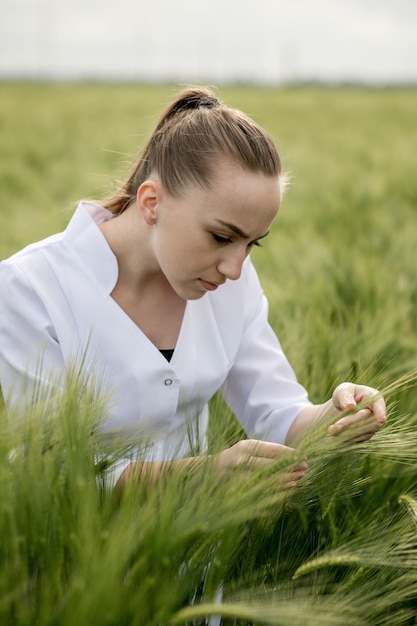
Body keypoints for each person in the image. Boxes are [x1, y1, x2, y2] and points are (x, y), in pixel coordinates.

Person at [0, 87, 386, 490]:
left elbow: (278, 412)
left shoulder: (229, 281)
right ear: (151, 202)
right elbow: (51, 471)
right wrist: (202, 476)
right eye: (221, 237)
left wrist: (337, 413)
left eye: (252, 243)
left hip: (198, 551)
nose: (235, 268)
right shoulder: (31, 287)